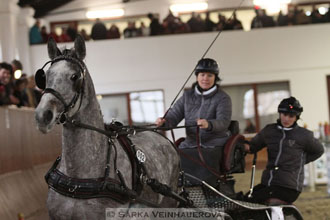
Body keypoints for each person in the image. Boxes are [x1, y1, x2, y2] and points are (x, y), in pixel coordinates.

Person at [244, 97, 324, 204]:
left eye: (291, 116)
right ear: (280, 114)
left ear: (296, 117)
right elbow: (252, 147)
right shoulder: (269, 131)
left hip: (289, 187)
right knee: (246, 199)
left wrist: (299, 161)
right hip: (268, 183)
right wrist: (242, 145)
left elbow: (319, 151)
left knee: (255, 199)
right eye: (284, 114)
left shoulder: (305, 136)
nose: (286, 119)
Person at [156, 58, 232, 149]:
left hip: (215, 144)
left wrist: (209, 124)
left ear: (215, 77)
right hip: (190, 144)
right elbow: (174, 115)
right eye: (202, 75)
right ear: (197, 77)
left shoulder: (223, 97)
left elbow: (223, 122)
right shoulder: (187, 96)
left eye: (210, 75)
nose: (205, 78)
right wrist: (164, 122)